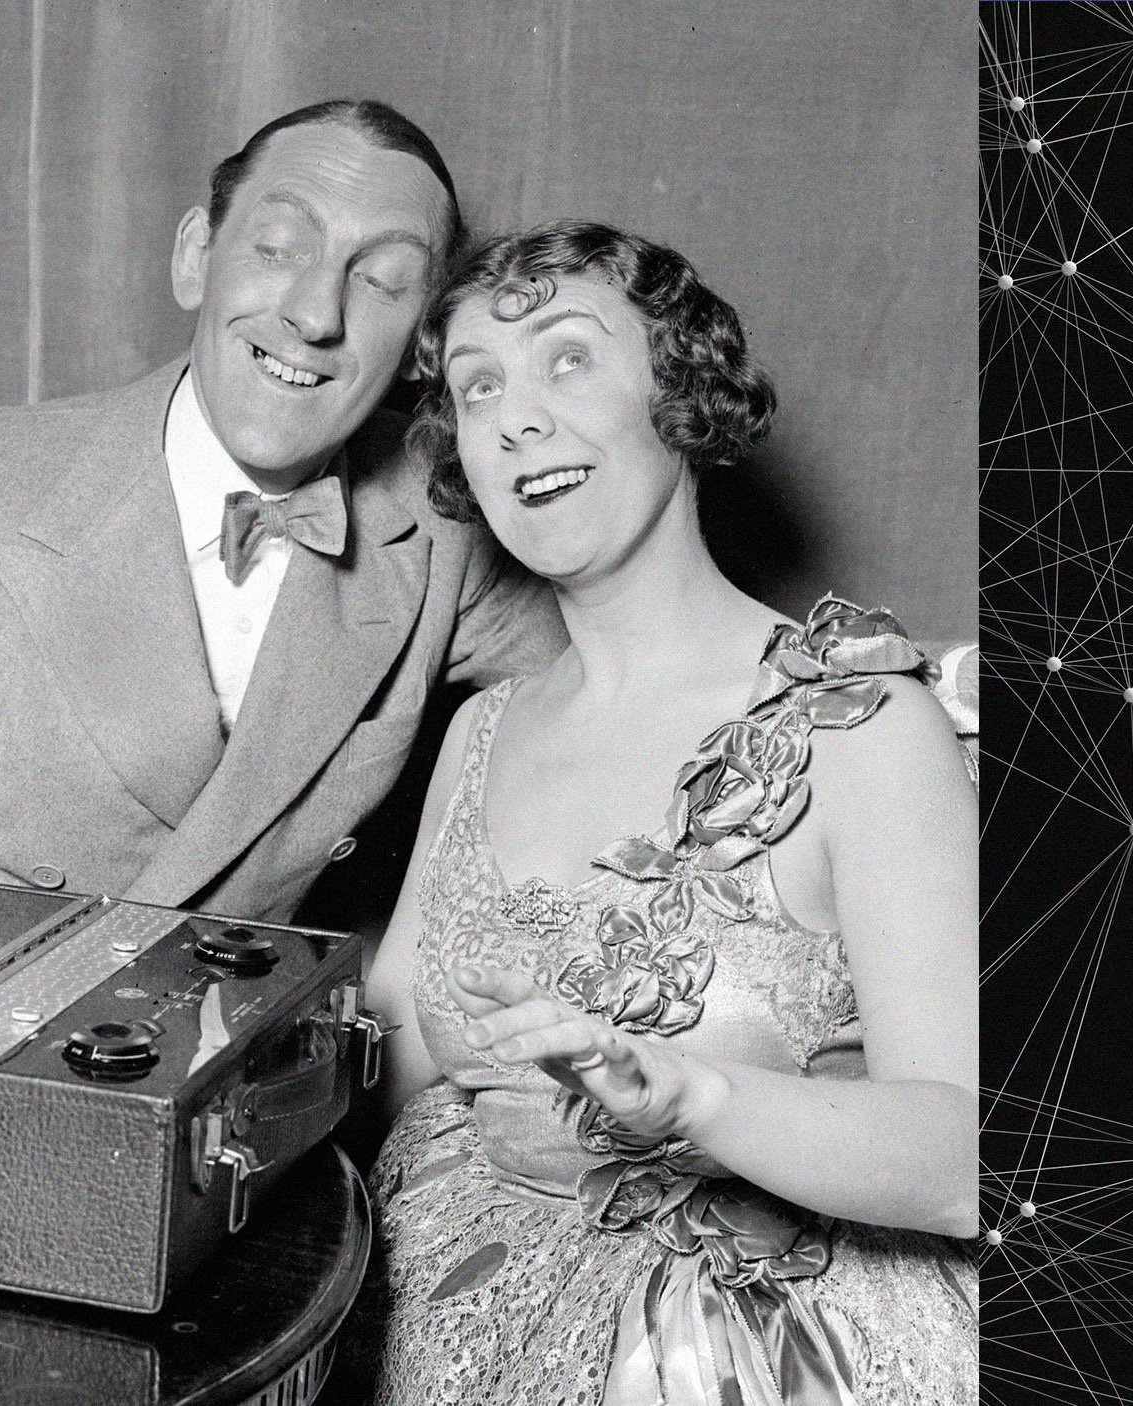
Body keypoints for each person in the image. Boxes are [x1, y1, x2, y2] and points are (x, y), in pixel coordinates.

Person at [361, 221, 977, 1404]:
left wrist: (690, 1096)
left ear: (680, 393)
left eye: (566, 357)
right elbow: (380, 1043)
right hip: (435, 1325)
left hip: (740, 1358)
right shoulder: (478, 732)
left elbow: (962, 1159)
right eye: (478, 383)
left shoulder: (857, 725)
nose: (515, 414)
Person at [0, 99, 564, 923]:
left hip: (246, 1040)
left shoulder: (443, 520)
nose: (316, 315)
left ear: (424, 342)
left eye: (381, 280)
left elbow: (647, 695)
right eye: (279, 249)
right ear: (194, 259)